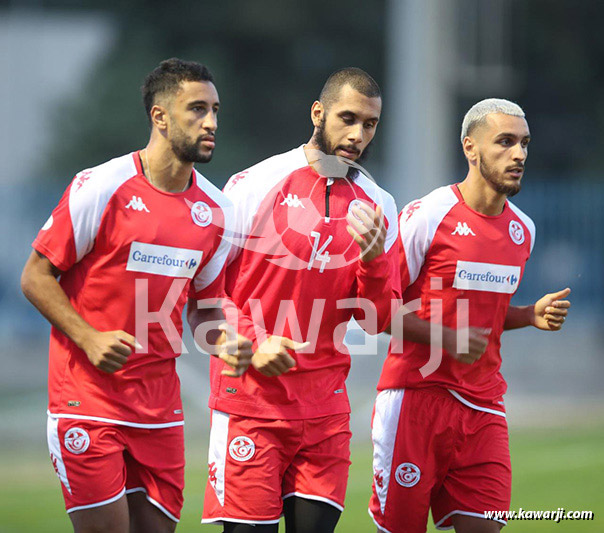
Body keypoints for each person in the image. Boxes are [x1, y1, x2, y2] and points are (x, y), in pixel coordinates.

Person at [20, 58, 252, 533]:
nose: (211, 122)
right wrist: (88, 338)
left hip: (159, 410)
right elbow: (36, 277)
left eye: (215, 110)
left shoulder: (219, 213)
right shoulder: (101, 187)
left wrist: (227, 341)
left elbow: (205, 308)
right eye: (196, 109)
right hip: (87, 401)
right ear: (160, 116)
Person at [201, 68, 401, 533]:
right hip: (251, 404)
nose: (357, 134)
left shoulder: (378, 204)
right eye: (347, 118)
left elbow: (377, 320)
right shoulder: (252, 184)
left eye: (370, 124)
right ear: (318, 112)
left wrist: (374, 262)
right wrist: (253, 342)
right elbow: (208, 293)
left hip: (325, 411)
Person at [368, 98, 571, 533]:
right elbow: (376, 313)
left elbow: (484, 319)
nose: (519, 154)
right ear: (470, 148)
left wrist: (527, 315)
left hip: (484, 408)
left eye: (524, 143)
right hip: (416, 401)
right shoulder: (428, 215)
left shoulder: (523, 230)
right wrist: (447, 339)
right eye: (505, 142)